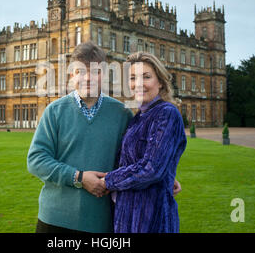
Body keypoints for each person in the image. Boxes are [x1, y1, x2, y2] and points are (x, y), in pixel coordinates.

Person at [27, 42, 181, 233]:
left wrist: (165, 176)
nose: (87, 78)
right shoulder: (55, 111)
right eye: (80, 72)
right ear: (71, 75)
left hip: (102, 220)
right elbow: (36, 160)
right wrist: (79, 177)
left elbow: (138, 157)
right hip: (56, 219)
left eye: (95, 72)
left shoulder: (122, 113)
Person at [103, 52, 187, 233]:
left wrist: (107, 181)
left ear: (161, 82)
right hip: (127, 215)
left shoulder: (166, 113)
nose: (138, 84)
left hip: (151, 217)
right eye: (133, 78)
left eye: (146, 77)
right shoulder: (139, 116)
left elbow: (151, 168)